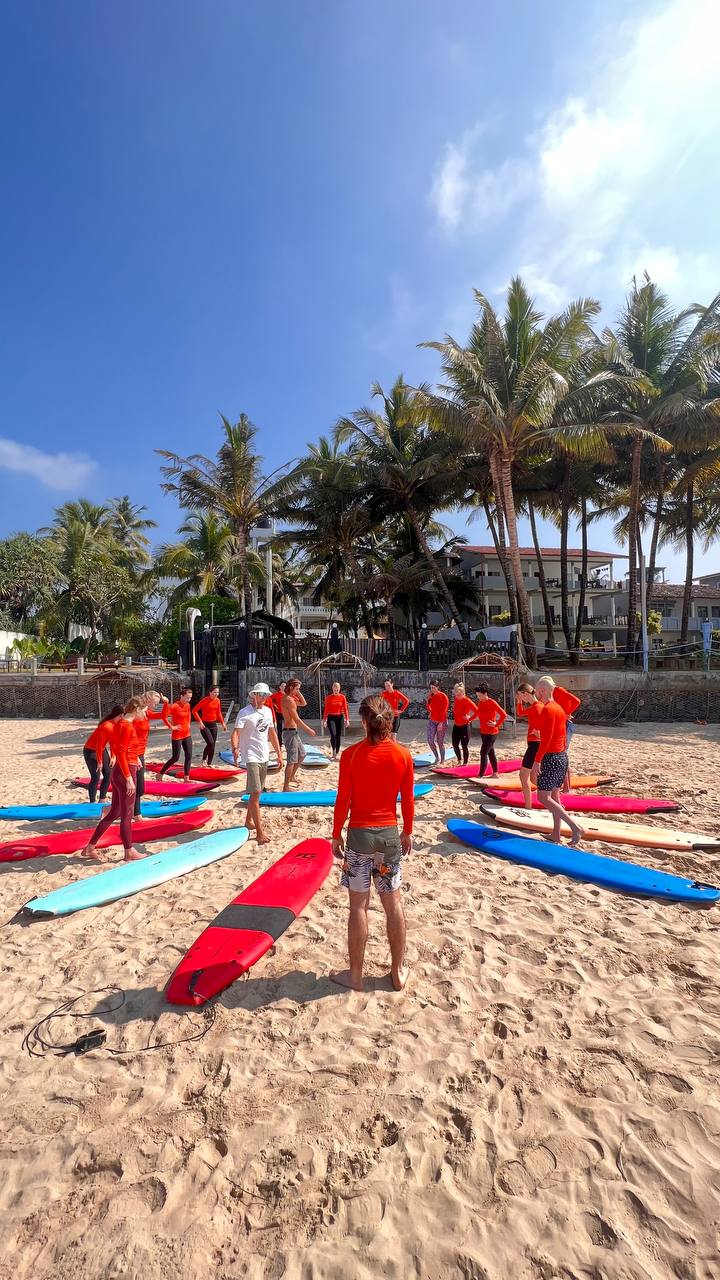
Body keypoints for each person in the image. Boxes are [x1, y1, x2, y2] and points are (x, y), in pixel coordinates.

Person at [330, 694, 414, 993]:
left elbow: (343, 800)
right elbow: (408, 798)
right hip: (388, 837)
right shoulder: (403, 754)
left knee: (359, 907)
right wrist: (408, 832)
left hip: (360, 837)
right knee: (393, 904)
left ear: (364, 722)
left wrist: (335, 833)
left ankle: (355, 976)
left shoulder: (351, 755)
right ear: (389, 721)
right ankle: (398, 971)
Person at [80, 696, 147, 861]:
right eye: (144, 711)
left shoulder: (119, 724)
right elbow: (121, 753)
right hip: (125, 772)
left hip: (120, 771)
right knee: (127, 814)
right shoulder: (126, 726)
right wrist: (129, 778)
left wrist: (135, 758)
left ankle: (90, 847)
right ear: (137, 710)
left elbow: (118, 747)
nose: (145, 715)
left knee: (114, 812)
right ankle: (129, 851)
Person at [530, 677, 583, 846]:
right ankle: (556, 834)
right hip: (561, 757)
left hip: (551, 757)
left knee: (543, 797)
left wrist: (537, 761)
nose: (536, 694)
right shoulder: (560, 708)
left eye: (537, 691)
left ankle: (575, 827)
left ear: (543, 691)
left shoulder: (548, 709)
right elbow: (556, 735)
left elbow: (546, 740)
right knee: (555, 796)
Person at [231, 682, 282, 844]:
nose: (265, 697)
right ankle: (259, 833)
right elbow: (235, 733)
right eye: (262, 694)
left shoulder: (267, 711)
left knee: (256, 792)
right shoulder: (244, 713)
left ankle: (248, 821)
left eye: (266, 695)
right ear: (254, 695)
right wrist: (235, 748)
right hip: (251, 756)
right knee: (256, 793)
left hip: (264, 755)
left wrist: (279, 754)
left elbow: (272, 734)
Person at [133, 691, 170, 818]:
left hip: (141, 753)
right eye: (155, 703)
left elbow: (164, 715)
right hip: (133, 754)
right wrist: (134, 755)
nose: (156, 705)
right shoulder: (136, 714)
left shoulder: (146, 713)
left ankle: (132, 811)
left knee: (140, 787)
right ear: (148, 700)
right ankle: (136, 814)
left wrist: (166, 703)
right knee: (137, 785)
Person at [281, 678, 316, 790]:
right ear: (291, 688)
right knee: (291, 760)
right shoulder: (288, 700)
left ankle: (291, 777)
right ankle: (285, 787)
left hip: (293, 732)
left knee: (302, 754)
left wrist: (297, 690)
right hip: (289, 732)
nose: (298, 691)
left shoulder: (290, 698)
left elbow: (303, 703)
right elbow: (296, 719)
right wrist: (308, 729)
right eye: (297, 689)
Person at [82, 706, 123, 803]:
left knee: (108, 774)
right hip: (91, 751)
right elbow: (98, 745)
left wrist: (113, 756)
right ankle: (92, 802)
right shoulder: (107, 726)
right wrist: (100, 762)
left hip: (101, 750)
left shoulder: (116, 725)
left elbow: (113, 742)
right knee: (96, 776)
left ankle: (102, 799)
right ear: (121, 715)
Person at [515, 681, 543, 809]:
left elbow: (541, 730)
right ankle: (552, 795)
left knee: (523, 776)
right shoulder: (536, 706)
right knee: (533, 779)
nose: (522, 698)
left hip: (534, 745)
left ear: (525, 693)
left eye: (521, 696)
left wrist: (537, 732)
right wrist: (519, 701)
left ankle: (528, 807)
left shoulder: (536, 708)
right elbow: (520, 713)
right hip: (534, 745)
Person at [159, 687, 194, 782]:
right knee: (175, 758)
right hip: (177, 735)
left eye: (190, 698)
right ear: (181, 696)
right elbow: (164, 716)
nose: (189, 699)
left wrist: (188, 723)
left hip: (187, 734)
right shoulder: (175, 706)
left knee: (189, 755)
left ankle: (186, 778)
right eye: (187, 697)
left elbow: (189, 714)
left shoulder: (188, 705)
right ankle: (160, 773)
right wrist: (171, 727)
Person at [475, 682, 508, 779]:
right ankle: (495, 773)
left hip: (492, 732)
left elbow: (503, 715)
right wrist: (470, 718)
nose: (478, 698)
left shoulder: (492, 702)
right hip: (483, 732)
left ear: (485, 694)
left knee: (483, 752)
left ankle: (480, 775)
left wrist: (496, 724)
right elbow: (478, 713)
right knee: (490, 752)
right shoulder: (480, 702)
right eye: (477, 696)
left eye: (480, 695)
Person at [553, 682, 582, 789]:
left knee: (562, 755)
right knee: (562, 756)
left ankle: (566, 787)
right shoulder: (549, 695)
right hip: (561, 725)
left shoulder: (558, 690)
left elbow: (577, 701)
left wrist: (567, 713)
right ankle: (566, 786)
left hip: (565, 725)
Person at [192, 685, 227, 766]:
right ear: (210, 692)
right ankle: (204, 759)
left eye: (217, 692)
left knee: (213, 745)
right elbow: (194, 711)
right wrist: (200, 722)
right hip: (204, 725)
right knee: (210, 743)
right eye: (214, 692)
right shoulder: (204, 700)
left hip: (213, 725)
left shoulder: (217, 700)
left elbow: (218, 713)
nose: (216, 694)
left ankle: (209, 763)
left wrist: (223, 723)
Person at [451, 682, 479, 765]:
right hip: (456, 725)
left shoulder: (467, 700)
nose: (458, 696)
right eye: (457, 693)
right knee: (455, 744)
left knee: (464, 746)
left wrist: (470, 718)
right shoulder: (456, 699)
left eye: (460, 694)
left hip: (464, 726)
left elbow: (477, 711)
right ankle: (459, 760)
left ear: (463, 693)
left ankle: (465, 762)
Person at [323, 682, 350, 760]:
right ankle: (334, 752)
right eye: (335, 688)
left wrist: (347, 720)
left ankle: (337, 752)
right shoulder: (328, 698)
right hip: (331, 717)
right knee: (333, 735)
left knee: (338, 736)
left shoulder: (342, 697)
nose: (336, 690)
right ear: (332, 688)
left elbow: (345, 709)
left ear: (339, 689)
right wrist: (324, 720)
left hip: (339, 717)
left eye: (337, 688)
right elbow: (326, 709)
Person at [426, 679, 449, 764]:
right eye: (431, 687)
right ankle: (436, 757)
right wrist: (430, 712)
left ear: (438, 687)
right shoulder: (430, 696)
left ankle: (442, 760)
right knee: (430, 740)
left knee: (440, 742)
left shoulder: (443, 696)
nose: (432, 689)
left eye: (433, 687)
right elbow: (428, 706)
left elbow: (445, 710)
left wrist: (441, 722)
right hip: (432, 721)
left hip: (442, 721)